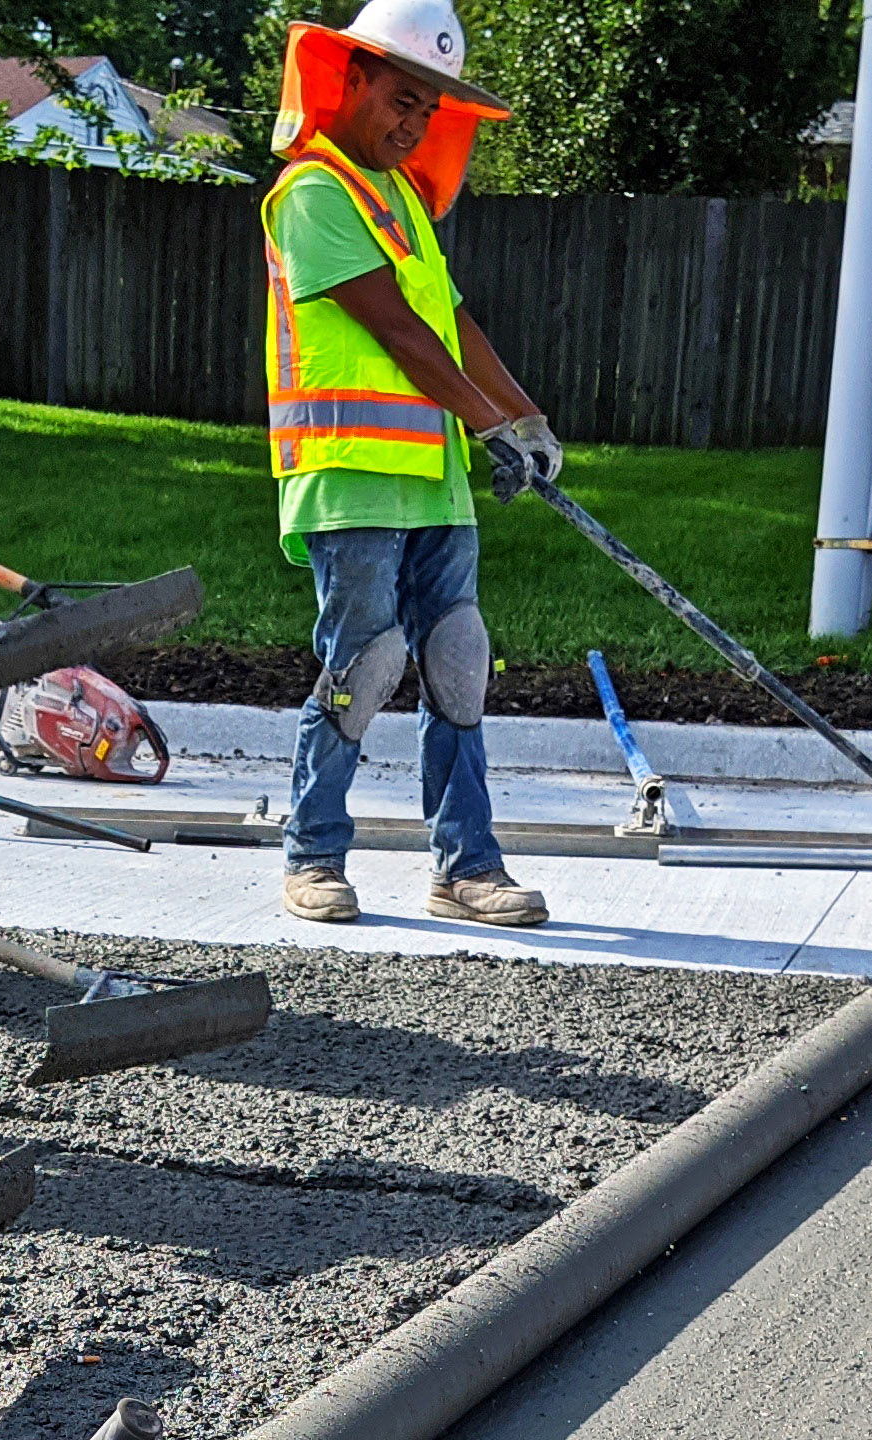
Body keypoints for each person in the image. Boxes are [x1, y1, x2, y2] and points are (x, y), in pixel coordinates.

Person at [259, 0, 556, 932]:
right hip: (349, 477)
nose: (414, 124)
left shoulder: (401, 202)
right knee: (368, 661)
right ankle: (312, 854)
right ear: (349, 80)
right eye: (401, 99)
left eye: (428, 110)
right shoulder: (312, 193)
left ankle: (466, 867)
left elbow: (453, 323)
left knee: (457, 661)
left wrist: (523, 414)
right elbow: (390, 324)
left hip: (434, 478)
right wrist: (485, 424)